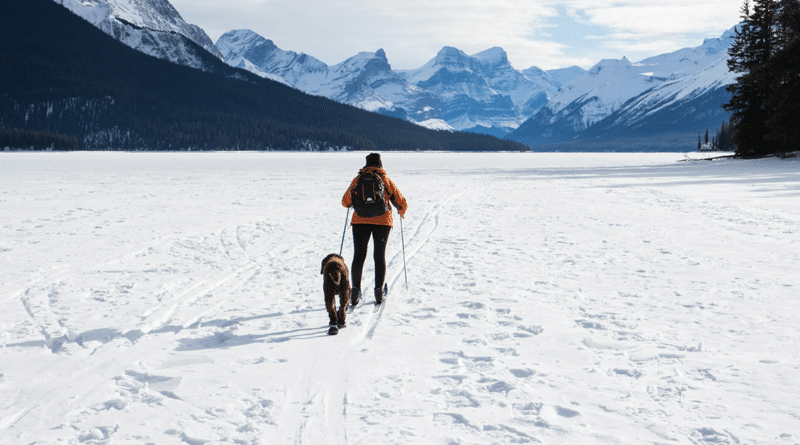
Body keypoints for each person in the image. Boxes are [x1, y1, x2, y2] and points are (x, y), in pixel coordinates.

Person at [342, 153, 408, 305]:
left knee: (358, 256)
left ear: (366, 164)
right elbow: (401, 202)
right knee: (379, 256)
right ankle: (379, 293)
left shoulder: (357, 180)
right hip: (383, 222)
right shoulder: (385, 180)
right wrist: (400, 211)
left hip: (359, 222)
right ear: (380, 163)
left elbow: (345, 202)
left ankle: (355, 292)